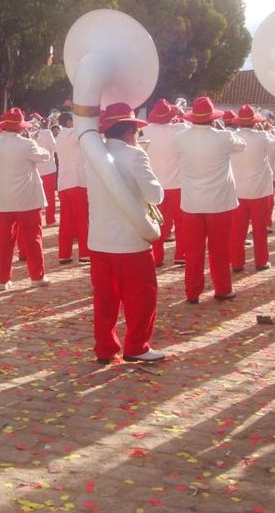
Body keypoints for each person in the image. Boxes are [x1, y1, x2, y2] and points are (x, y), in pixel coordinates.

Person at [86, 102, 165, 364]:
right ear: (131, 130)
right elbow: (156, 195)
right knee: (141, 297)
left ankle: (105, 349)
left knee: (105, 300)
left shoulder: (94, 156)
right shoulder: (135, 155)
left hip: (99, 239)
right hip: (131, 240)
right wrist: (142, 154)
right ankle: (137, 347)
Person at [169, 97, 246, 303]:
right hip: (220, 203)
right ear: (213, 118)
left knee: (193, 252)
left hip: (192, 202)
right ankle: (222, 288)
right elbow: (242, 145)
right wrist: (222, 129)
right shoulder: (224, 137)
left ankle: (192, 292)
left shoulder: (181, 137)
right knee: (219, 250)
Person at [0, 107, 52, 290]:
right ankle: (37, 276)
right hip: (27, 198)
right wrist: (32, 141)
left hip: (4, 197)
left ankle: (2, 280)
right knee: (33, 239)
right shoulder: (26, 144)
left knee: (4, 242)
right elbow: (46, 156)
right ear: (21, 127)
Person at [229, 105, 275, 272]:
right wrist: (265, 131)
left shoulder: (232, 137)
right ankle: (261, 261)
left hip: (238, 190)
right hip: (260, 190)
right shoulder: (264, 136)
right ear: (254, 122)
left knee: (237, 230)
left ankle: (237, 262)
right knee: (260, 230)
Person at [142, 99, 188, 267]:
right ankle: (181, 254)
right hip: (177, 184)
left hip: (154, 185)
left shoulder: (145, 130)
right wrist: (180, 113)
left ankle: (157, 257)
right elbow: (191, 123)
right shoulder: (180, 129)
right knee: (181, 224)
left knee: (157, 223)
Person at [54, 112, 90, 264]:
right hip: (77, 181)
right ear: (69, 122)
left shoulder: (59, 136)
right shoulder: (73, 133)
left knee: (66, 221)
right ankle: (85, 253)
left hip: (64, 183)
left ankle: (64, 254)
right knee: (83, 219)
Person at [31, 114, 58, 225]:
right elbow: (56, 148)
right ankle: (50, 219)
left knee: (36, 196)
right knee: (50, 195)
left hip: (36, 170)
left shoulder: (30, 134)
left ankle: (36, 220)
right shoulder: (47, 133)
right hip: (48, 169)